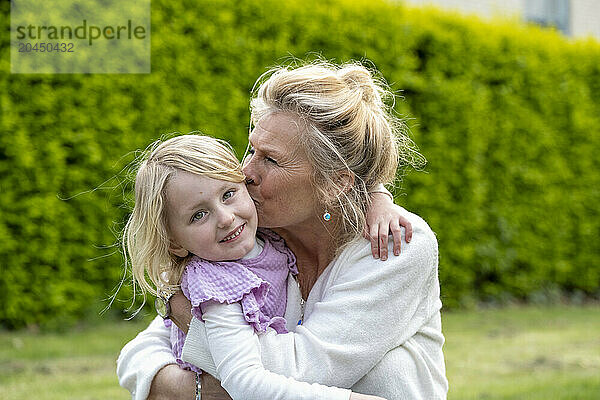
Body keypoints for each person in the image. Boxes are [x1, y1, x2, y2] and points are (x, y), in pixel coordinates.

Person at [117, 61, 448, 400]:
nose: (245, 172)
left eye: (270, 160)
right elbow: (139, 355)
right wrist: (195, 382)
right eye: (251, 149)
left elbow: (301, 368)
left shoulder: (397, 245)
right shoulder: (256, 239)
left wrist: (190, 320)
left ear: (334, 183)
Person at [121, 133, 390, 400]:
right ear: (174, 244)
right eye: (198, 215)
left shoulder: (265, 234)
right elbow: (245, 382)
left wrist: (379, 197)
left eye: (228, 194)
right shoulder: (217, 284)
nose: (226, 218)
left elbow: (334, 188)